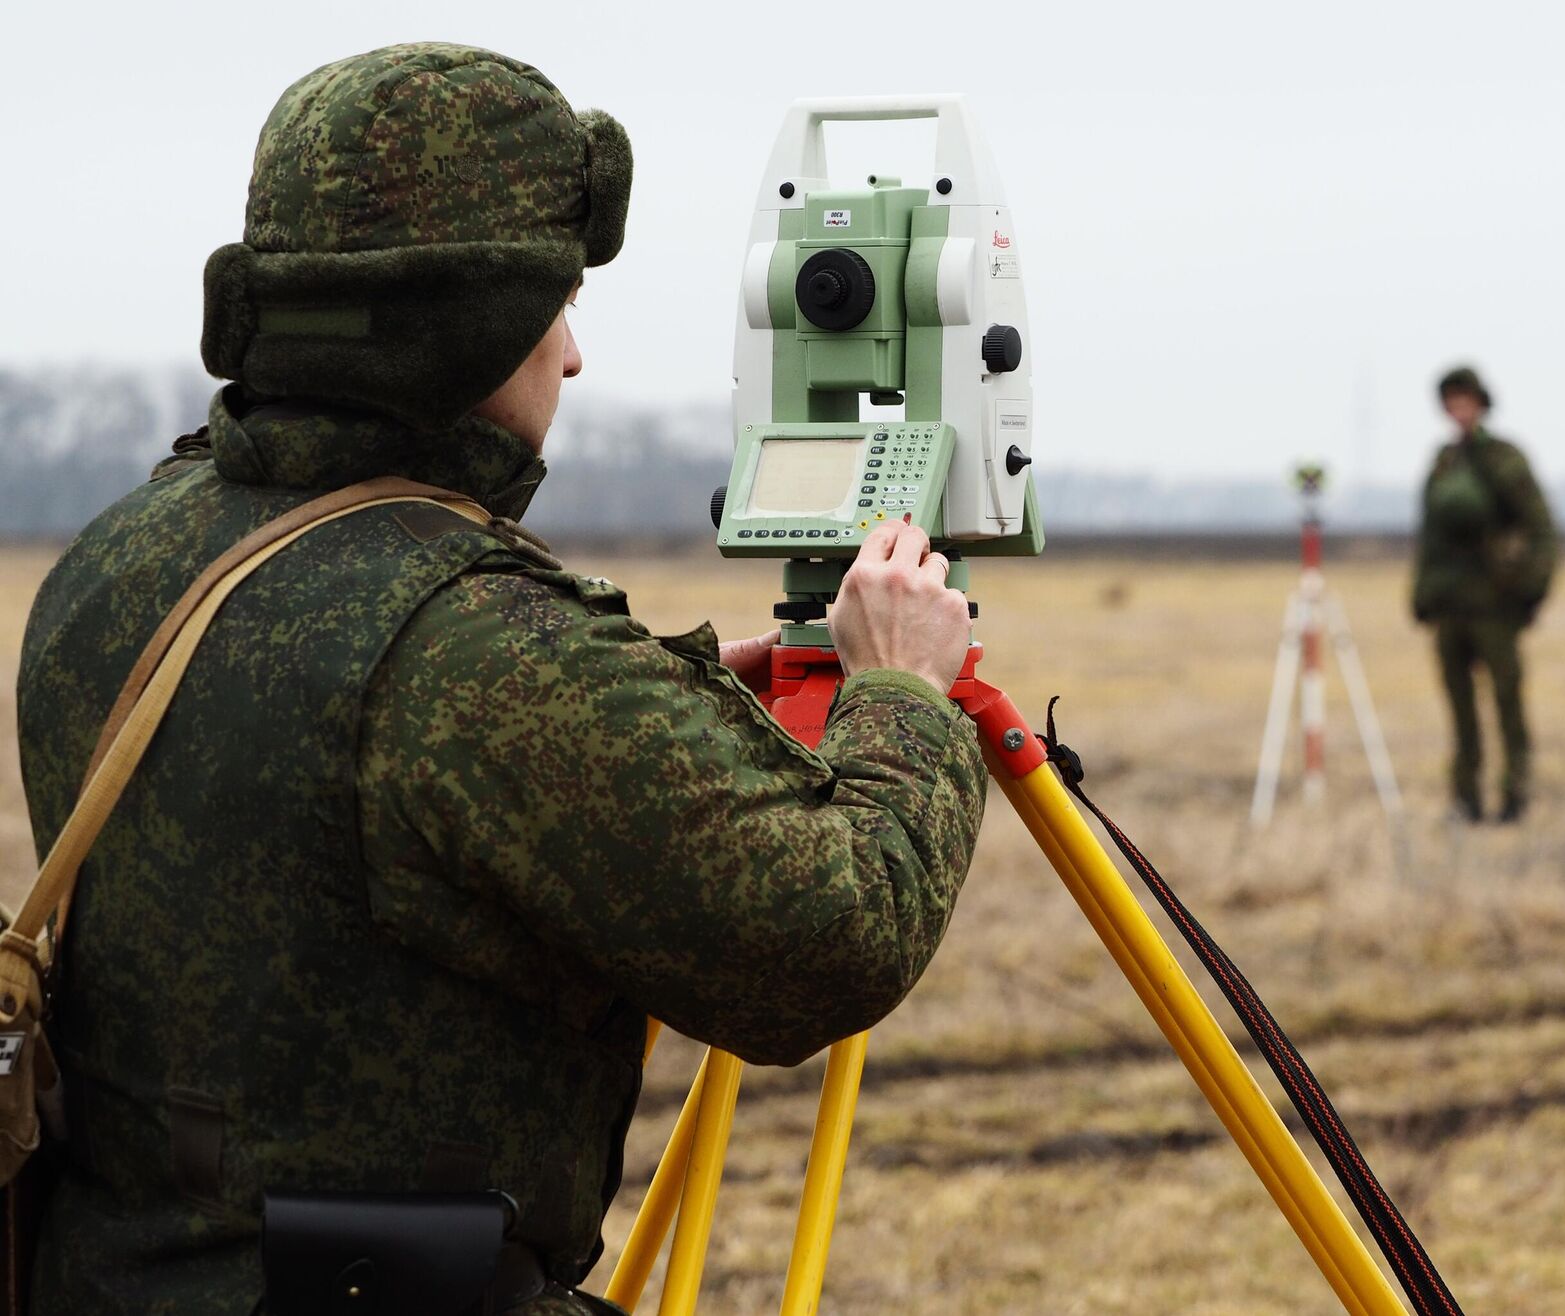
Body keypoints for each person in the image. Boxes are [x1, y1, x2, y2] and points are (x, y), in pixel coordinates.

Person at [14, 44, 984, 1314]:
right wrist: (903, 696)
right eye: (556, 304)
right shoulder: (476, 649)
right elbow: (828, 939)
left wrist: (657, 701)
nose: (571, 355)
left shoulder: (125, 550)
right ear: (470, 324)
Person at [1411, 366, 1557, 824]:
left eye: (1465, 400)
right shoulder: (1443, 462)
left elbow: (1540, 529)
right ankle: (1464, 800)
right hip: (1451, 603)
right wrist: (1422, 593)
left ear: (1481, 403)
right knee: (1460, 710)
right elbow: (1429, 535)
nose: (1458, 410)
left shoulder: (1504, 459)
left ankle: (1515, 796)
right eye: (1450, 402)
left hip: (1496, 602)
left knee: (1507, 703)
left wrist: (1530, 591)